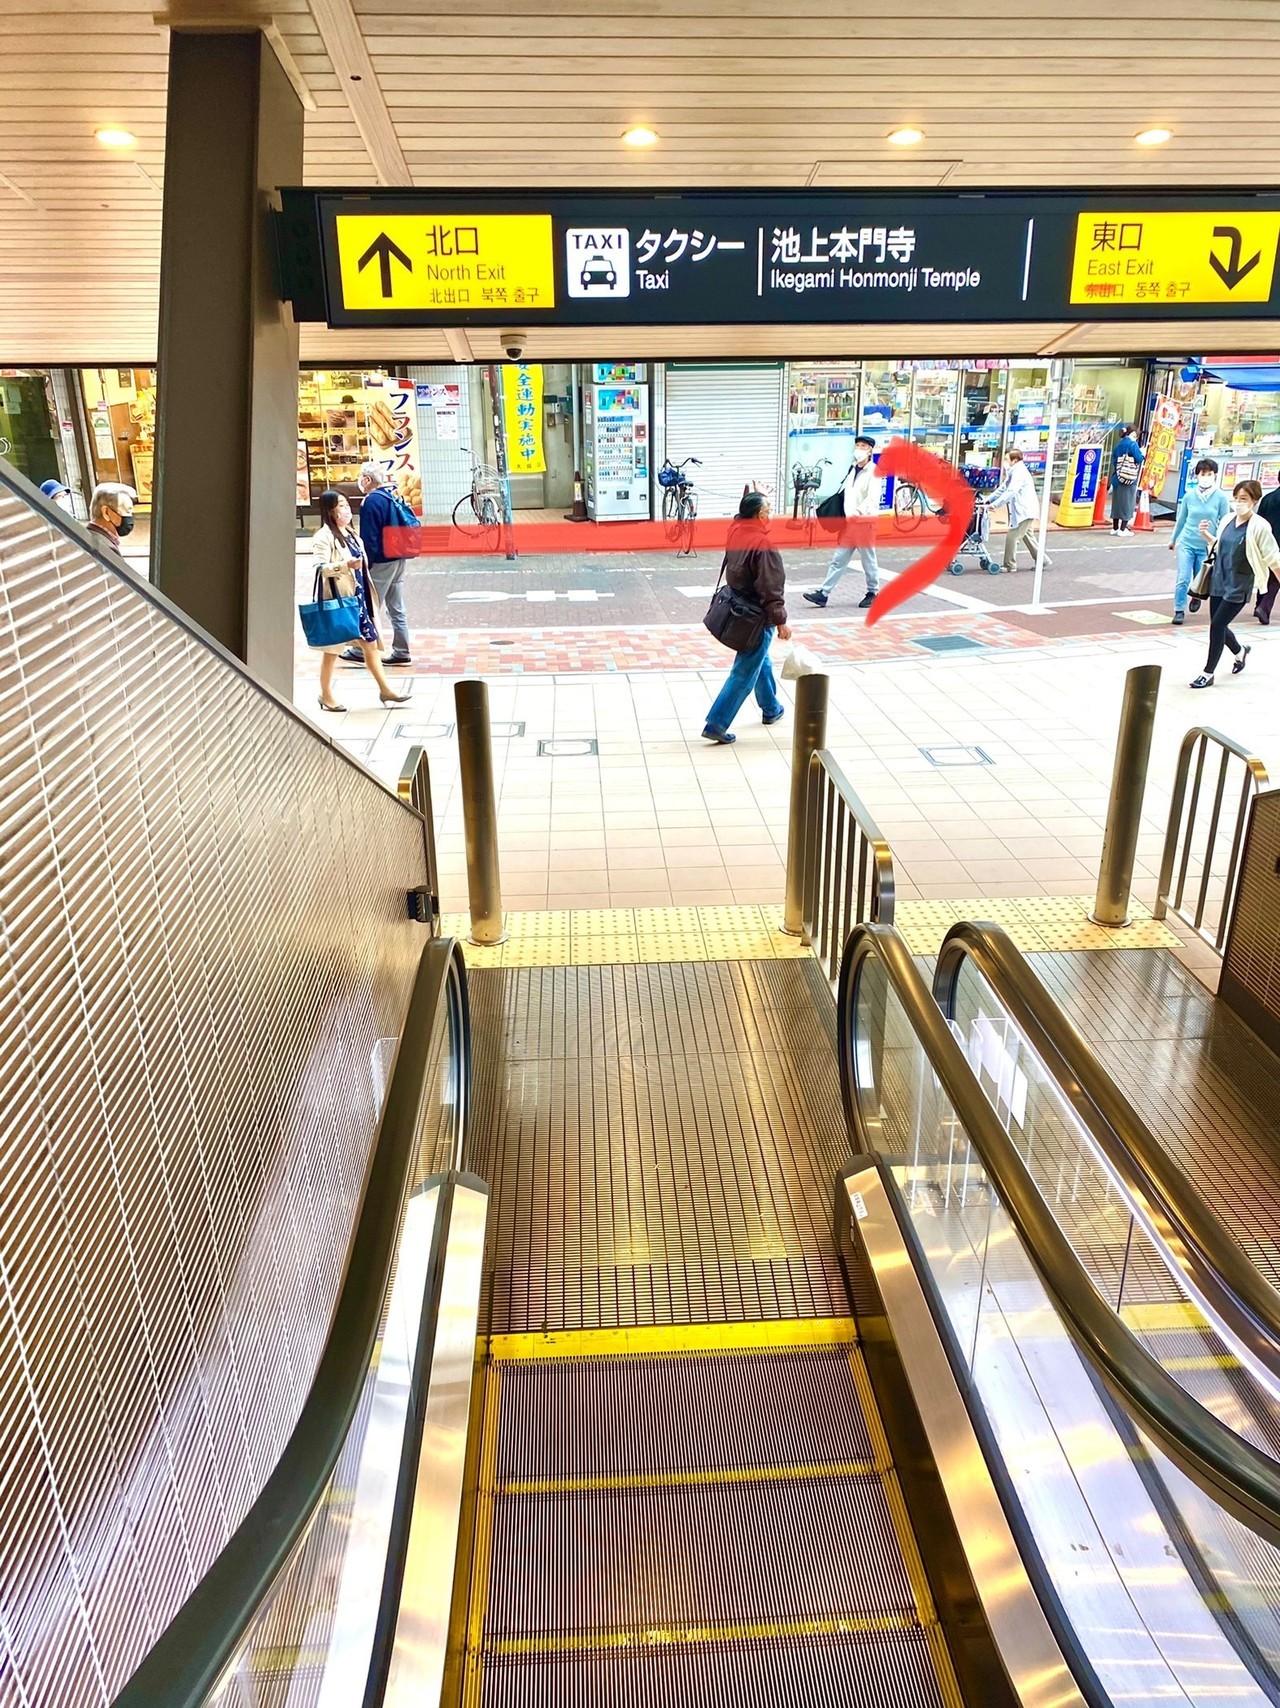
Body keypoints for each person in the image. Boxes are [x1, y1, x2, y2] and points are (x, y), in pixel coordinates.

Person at [310, 490, 412, 713]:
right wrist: (345, 566)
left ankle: (385, 690)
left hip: (359, 601)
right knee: (333, 650)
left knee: (370, 644)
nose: (346, 510)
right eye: (341, 506)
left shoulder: (351, 534)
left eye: (347, 505)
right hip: (340, 602)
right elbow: (320, 569)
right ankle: (326, 695)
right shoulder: (323, 537)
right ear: (330, 511)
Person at [703, 492, 790, 744]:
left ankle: (771, 708)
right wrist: (781, 621)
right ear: (760, 515)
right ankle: (716, 723)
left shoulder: (737, 531)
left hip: (738, 608)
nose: (770, 514)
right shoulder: (764, 547)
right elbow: (771, 588)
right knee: (743, 672)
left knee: (759, 660)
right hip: (756, 618)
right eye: (768, 509)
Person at [1190, 480, 1280, 689]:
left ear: (1255, 501)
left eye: (1244, 499)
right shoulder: (1228, 519)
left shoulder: (1260, 526)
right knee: (1218, 624)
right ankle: (1240, 651)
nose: (1239, 503)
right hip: (1219, 580)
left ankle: (1208, 673)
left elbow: (1273, 557)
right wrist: (1205, 535)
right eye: (1237, 498)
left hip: (1240, 582)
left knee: (1218, 626)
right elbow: (1220, 546)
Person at [343, 462, 413, 666]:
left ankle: (359, 648)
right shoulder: (392, 495)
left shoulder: (371, 501)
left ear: (367, 479)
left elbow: (369, 538)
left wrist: (367, 563)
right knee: (396, 606)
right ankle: (402, 650)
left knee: (370, 605)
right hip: (399, 557)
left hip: (381, 560)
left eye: (361, 477)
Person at [803, 435, 880, 609]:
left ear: (870, 450)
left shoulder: (874, 472)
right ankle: (823, 593)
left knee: (868, 559)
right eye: (858, 445)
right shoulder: (852, 469)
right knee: (838, 559)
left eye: (863, 446)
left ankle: (873, 591)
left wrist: (858, 512)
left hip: (864, 523)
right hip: (849, 523)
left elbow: (872, 499)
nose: (859, 449)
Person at [1168, 459, 1228, 625]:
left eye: (1209, 474)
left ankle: (1196, 596)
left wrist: (1222, 543)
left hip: (1206, 546)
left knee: (1200, 579)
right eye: (1203, 474)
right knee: (1183, 578)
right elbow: (1182, 519)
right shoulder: (1189, 496)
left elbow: (1225, 521)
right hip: (1187, 542)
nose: (1206, 477)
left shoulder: (1221, 497)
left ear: (1215, 475)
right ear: (1197, 475)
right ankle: (1179, 610)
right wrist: (1173, 539)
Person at [985, 448, 1049, 574]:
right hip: (1024, 510)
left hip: (1025, 510)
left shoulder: (1019, 473)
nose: (1004, 462)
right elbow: (1003, 488)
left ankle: (1009, 565)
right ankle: (1043, 560)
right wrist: (988, 500)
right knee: (1027, 536)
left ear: (1014, 460)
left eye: (1006, 459)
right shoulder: (1013, 471)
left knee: (1013, 536)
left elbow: (1011, 491)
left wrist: (995, 504)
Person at [1252, 476, 1280, 625]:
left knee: (1265, 573)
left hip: (1266, 542)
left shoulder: (1268, 498)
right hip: (1278, 546)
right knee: (1276, 579)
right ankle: (1264, 608)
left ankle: (1258, 604)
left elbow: (1259, 520)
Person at [1110, 424, 1144, 534]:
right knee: (1127, 503)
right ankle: (1123, 529)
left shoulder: (1120, 444)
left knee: (1117, 503)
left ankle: (1115, 528)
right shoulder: (1132, 444)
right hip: (1129, 478)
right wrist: (1142, 453)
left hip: (1117, 476)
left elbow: (1114, 460)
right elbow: (1139, 459)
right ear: (1134, 434)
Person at [86, 482, 136, 554]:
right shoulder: (106, 549)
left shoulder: (88, 537)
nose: (130, 516)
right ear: (106, 513)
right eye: (127, 511)